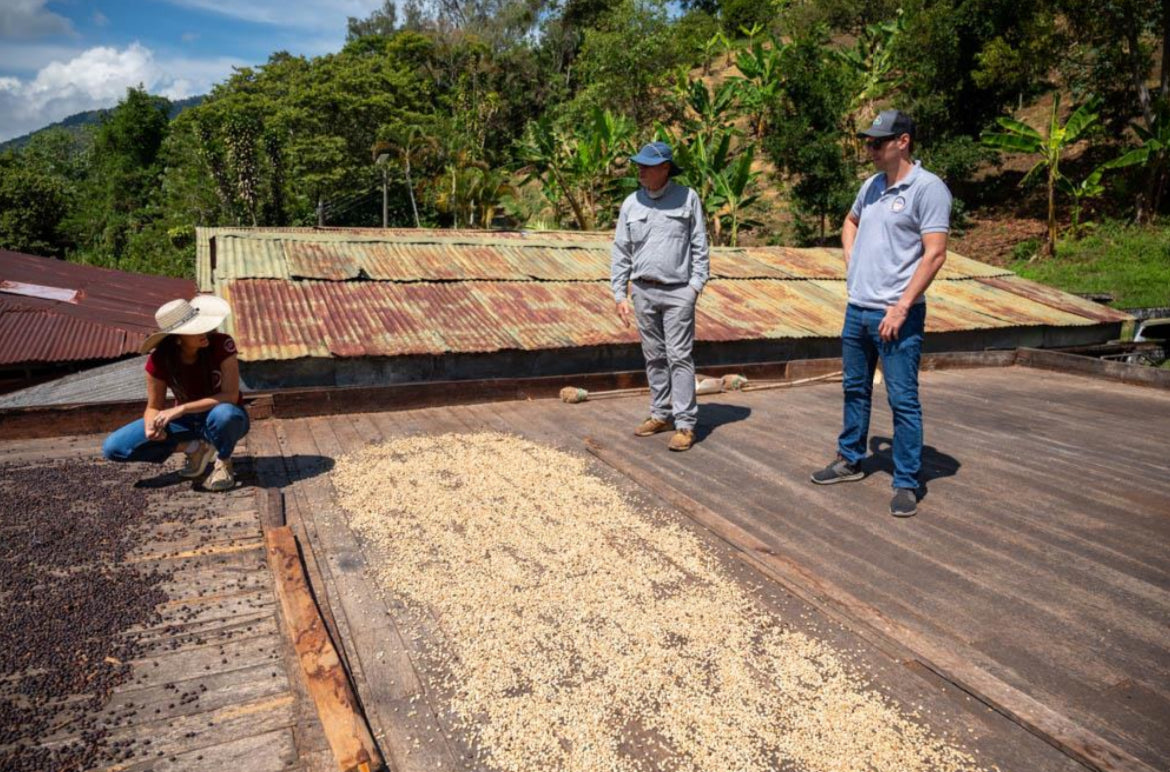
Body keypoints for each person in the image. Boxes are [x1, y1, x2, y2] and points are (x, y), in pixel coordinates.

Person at [810, 110, 952, 517]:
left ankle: (906, 481)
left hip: (897, 315)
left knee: (903, 400)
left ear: (902, 142)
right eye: (868, 142)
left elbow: (935, 253)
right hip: (858, 310)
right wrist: (852, 261)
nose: (869, 148)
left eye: (877, 142)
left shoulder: (928, 189)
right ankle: (850, 458)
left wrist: (903, 305)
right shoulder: (871, 186)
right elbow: (849, 223)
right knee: (855, 388)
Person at [611, 140, 710, 452]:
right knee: (653, 356)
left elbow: (700, 245)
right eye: (638, 164)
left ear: (665, 168)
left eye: (647, 165)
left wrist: (694, 286)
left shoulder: (687, 198)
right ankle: (660, 414)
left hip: (679, 291)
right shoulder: (631, 204)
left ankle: (684, 424)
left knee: (679, 357)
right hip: (642, 291)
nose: (640, 170)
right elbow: (621, 250)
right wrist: (619, 293)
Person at [102, 295, 248, 491]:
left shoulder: (222, 345)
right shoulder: (159, 361)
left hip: (221, 416)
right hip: (187, 422)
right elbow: (153, 407)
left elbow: (230, 395)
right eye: (194, 329)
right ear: (178, 338)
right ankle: (195, 449)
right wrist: (151, 427)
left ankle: (223, 460)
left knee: (225, 415)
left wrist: (181, 409)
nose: (204, 331)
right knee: (114, 447)